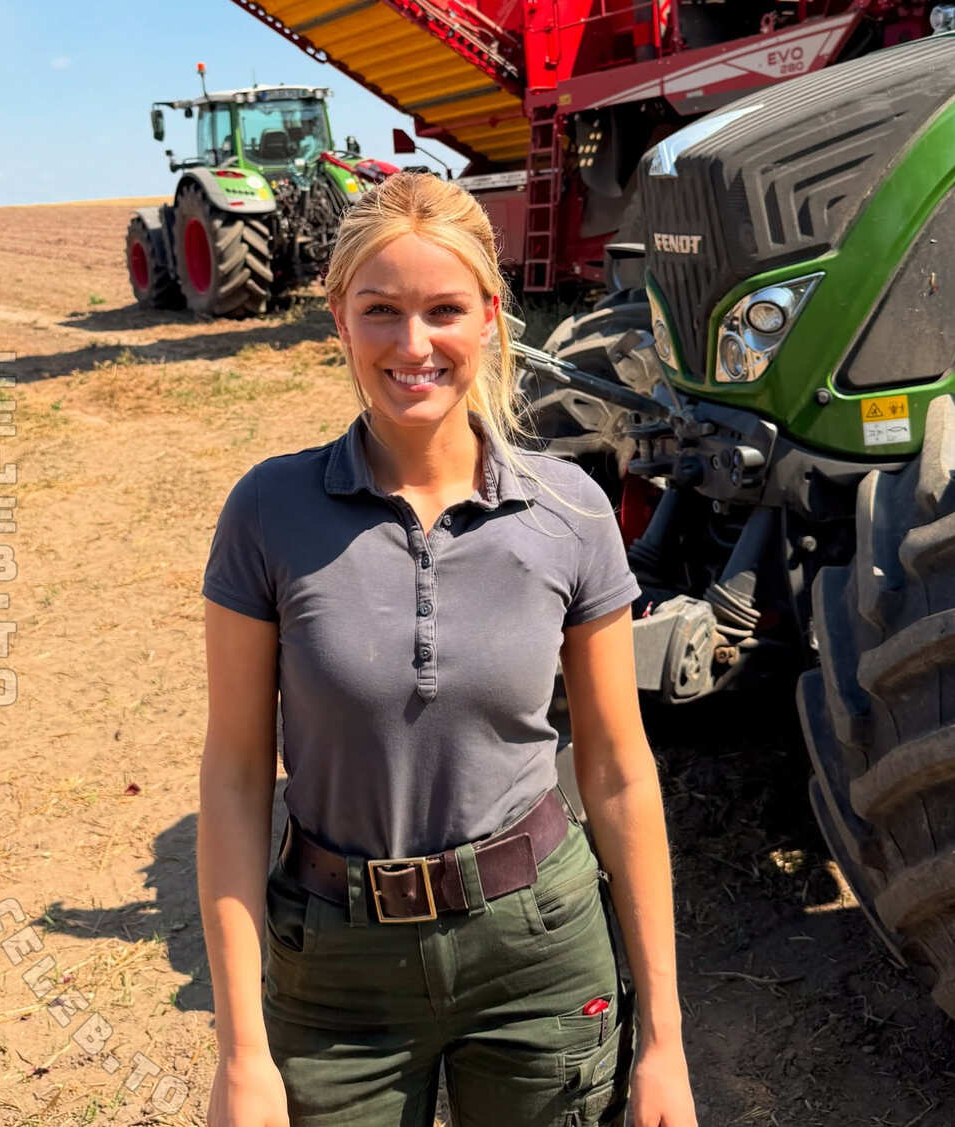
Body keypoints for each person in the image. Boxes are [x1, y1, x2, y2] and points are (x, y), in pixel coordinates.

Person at [198, 171, 698, 1127]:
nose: (413, 344)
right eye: (381, 310)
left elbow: (618, 770)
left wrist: (667, 1042)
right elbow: (233, 775)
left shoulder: (569, 513)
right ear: (340, 319)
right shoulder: (268, 513)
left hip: (539, 956)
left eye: (444, 310)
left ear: (491, 318)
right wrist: (240, 1053)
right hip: (334, 969)